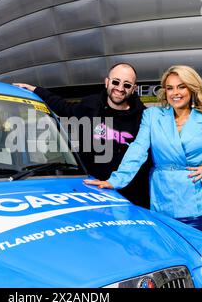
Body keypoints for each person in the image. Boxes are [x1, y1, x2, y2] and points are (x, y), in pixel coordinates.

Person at [84, 65, 202, 235]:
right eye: (170, 88)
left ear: (192, 89)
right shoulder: (152, 116)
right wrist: (115, 180)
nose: (175, 93)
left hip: (198, 208)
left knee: (199, 260)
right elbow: (138, 150)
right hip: (161, 205)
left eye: (181, 87)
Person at [14, 63, 152, 209]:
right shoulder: (90, 105)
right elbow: (64, 108)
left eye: (127, 85)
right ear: (107, 82)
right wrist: (36, 90)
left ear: (134, 88)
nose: (120, 88)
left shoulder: (144, 118)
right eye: (115, 82)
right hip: (91, 192)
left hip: (129, 199)